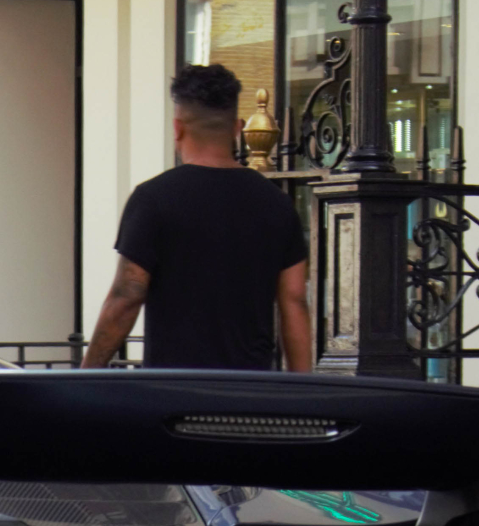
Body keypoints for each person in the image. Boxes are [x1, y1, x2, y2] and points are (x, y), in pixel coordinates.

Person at [81, 63, 312, 372]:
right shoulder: (278, 204)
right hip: (252, 398)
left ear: (177, 128)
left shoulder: (152, 199)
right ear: (238, 128)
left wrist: (87, 375)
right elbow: (294, 302)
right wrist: (302, 392)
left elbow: (128, 294)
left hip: (173, 397)